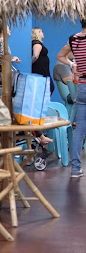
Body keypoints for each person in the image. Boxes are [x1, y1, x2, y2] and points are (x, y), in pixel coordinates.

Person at [57, 19, 86, 178]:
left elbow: (60, 56)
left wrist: (72, 64)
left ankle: (75, 168)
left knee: (79, 128)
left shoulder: (73, 39)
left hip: (82, 87)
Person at [32, 26, 54, 95]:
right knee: (48, 87)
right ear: (37, 33)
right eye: (40, 31)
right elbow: (35, 56)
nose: (42, 33)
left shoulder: (37, 43)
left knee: (49, 87)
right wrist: (30, 63)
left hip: (44, 69)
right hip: (41, 69)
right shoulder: (37, 43)